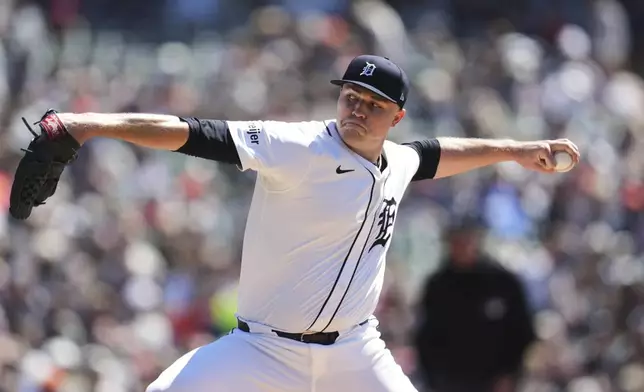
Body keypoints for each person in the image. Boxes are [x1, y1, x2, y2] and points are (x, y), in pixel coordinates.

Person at [9, 55, 579, 392]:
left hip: (356, 352)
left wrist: (518, 148)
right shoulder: (298, 145)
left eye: (372, 103)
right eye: (351, 96)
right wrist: (85, 125)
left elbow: (439, 153)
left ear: (395, 117)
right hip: (261, 351)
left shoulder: (399, 160)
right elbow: (191, 131)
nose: (356, 108)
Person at [413, 220, 536, 392]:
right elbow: (425, 336)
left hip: (495, 381)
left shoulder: (503, 282)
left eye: (467, 240)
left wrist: (510, 373)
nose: (462, 247)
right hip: (450, 381)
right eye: (456, 241)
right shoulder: (437, 285)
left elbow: (522, 331)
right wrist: (433, 378)